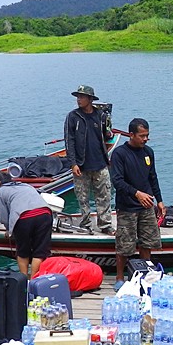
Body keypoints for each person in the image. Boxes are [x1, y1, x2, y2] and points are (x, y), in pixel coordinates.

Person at [110, 118, 165, 291]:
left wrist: (160, 200)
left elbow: (153, 177)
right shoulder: (119, 154)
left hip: (147, 206)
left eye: (147, 135)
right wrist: (136, 193)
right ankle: (120, 277)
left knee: (147, 242)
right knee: (124, 245)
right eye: (142, 136)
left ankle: (146, 273)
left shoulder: (148, 152)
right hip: (127, 207)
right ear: (131, 135)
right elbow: (117, 181)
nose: (145, 139)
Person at [64, 84, 115, 235]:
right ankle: (86, 224)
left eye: (82, 97)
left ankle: (105, 224)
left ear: (90, 99)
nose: (78, 100)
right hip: (81, 164)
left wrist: (108, 128)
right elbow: (69, 141)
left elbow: (107, 135)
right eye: (77, 97)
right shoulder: (73, 117)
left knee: (104, 195)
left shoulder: (100, 115)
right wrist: (73, 163)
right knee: (82, 198)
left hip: (100, 163)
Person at [0, 171, 52, 277]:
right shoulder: (25, 185)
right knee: (40, 251)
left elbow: (4, 217)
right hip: (45, 214)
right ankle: (34, 279)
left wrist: (9, 231)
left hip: (24, 217)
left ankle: (24, 279)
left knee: (23, 251)